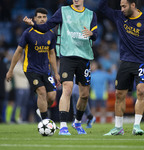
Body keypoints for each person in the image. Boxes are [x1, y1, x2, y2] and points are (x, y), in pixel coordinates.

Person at [23, 0, 98, 135]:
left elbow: (96, 35)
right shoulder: (63, 11)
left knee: (84, 95)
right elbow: (45, 27)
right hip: (67, 56)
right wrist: (33, 24)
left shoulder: (91, 14)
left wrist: (92, 34)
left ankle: (77, 122)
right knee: (67, 89)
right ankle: (63, 126)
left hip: (84, 57)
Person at [99, 0, 144, 135]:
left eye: (124, 6)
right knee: (119, 94)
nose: (121, 9)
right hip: (125, 61)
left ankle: (137, 126)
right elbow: (102, 8)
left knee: (141, 90)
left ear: (133, 5)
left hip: (143, 62)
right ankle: (118, 128)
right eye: (120, 6)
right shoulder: (119, 16)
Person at [6, 8, 60, 122]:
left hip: (46, 70)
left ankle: (42, 110)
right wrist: (10, 70)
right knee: (41, 91)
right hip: (31, 69)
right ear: (34, 19)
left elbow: (52, 54)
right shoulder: (28, 33)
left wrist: (56, 73)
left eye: (44, 17)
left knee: (51, 97)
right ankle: (45, 122)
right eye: (39, 17)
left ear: (47, 18)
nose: (42, 19)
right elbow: (18, 52)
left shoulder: (50, 34)